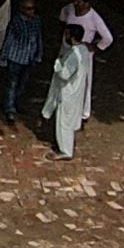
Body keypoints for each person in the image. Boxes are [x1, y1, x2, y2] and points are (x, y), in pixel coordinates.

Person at [46, 24, 95, 158]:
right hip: (76, 91)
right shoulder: (83, 50)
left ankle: (65, 151)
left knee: (64, 122)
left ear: (71, 36)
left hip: (68, 92)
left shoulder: (74, 54)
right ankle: (65, 146)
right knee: (69, 120)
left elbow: (64, 74)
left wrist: (57, 64)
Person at [0, 0, 48, 121]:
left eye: (32, 8)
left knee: (23, 83)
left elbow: (38, 38)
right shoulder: (16, 21)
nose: (31, 11)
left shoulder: (36, 21)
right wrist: (4, 56)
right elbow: (9, 39)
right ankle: (9, 108)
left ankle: (15, 102)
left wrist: (38, 54)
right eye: (28, 8)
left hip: (29, 58)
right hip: (15, 57)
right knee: (12, 83)